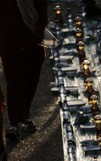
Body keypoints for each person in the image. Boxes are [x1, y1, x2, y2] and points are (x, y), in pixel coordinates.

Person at [0, 0, 47, 143]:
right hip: (8, 38)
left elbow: (42, 12)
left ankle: (25, 114)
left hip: (31, 35)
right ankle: (14, 123)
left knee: (30, 77)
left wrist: (38, 32)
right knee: (13, 80)